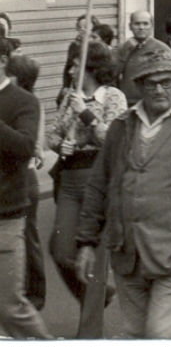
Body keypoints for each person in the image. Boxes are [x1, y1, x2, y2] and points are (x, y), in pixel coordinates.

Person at [74, 46, 171, 338]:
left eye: (167, 82)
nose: (160, 89)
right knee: (136, 337)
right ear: (139, 85)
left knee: (162, 338)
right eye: (151, 83)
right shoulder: (122, 127)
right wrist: (86, 241)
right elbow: (99, 184)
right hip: (128, 255)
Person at [47, 42, 127, 315]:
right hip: (69, 180)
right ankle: (99, 296)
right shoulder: (70, 94)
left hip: (99, 176)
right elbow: (52, 136)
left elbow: (113, 139)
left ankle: (90, 319)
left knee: (93, 253)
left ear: (90, 67)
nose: (69, 69)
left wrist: (85, 112)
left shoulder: (114, 96)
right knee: (61, 251)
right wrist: (61, 146)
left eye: (74, 64)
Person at [0, 37, 53, 339]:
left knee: (10, 307)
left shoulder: (23, 101)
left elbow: (24, 147)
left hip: (5, 215)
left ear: (2, 60)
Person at [115, 10, 169, 106]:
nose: (141, 27)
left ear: (152, 26)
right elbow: (112, 74)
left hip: (152, 103)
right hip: (128, 103)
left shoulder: (162, 48)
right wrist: (126, 51)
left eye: (145, 24)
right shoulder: (123, 48)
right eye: (137, 24)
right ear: (130, 26)